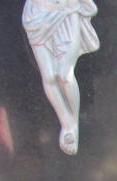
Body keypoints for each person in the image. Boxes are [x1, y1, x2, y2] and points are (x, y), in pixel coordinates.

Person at [22, 0, 100, 155]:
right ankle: (68, 124)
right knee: (49, 76)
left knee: (65, 75)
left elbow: (90, 6)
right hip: (38, 16)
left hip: (67, 14)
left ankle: (73, 125)